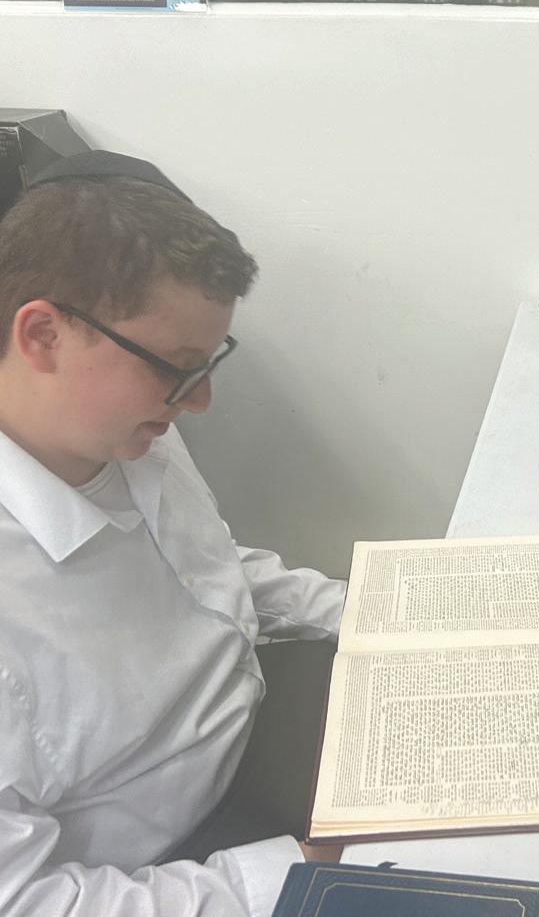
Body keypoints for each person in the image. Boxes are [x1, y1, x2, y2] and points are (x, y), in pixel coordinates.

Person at [0, 152, 347, 915]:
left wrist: (368, 613)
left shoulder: (125, 429)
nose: (200, 401)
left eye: (209, 362)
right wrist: (287, 872)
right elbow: (26, 899)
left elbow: (209, 565)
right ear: (43, 334)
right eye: (178, 367)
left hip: (259, 720)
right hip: (179, 869)